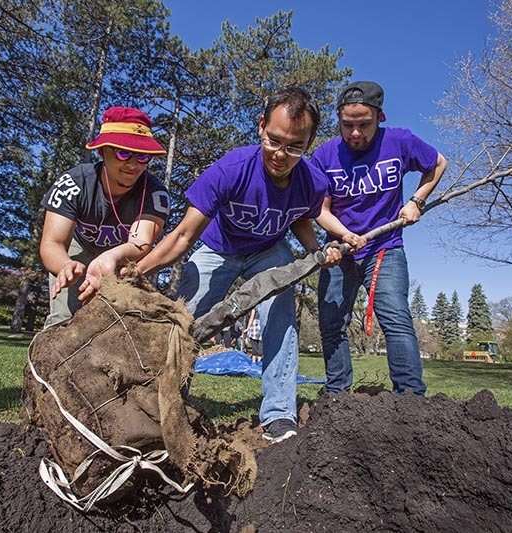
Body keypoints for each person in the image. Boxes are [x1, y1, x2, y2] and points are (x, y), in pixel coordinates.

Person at [124, 87, 357, 443]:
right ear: (261, 126)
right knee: (185, 317)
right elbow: (183, 236)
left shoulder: (313, 182)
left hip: (269, 250)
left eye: (294, 147)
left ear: (309, 143)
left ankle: (279, 413)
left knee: (280, 313)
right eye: (274, 141)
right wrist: (140, 270)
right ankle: (165, 403)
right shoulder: (230, 170)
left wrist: (315, 252)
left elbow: (300, 216)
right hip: (219, 247)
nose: (281, 154)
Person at [312, 81, 447, 395]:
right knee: (332, 324)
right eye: (348, 125)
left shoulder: (399, 141)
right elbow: (320, 208)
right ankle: (337, 395)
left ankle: (411, 398)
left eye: (364, 124)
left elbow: (438, 163)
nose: (355, 133)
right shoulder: (325, 155)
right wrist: (343, 235)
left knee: (395, 318)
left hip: (385, 248)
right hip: (339, 250)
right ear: (338, 120)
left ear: (379, 117)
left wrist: (416, 201)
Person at [39, 106, 170, 328]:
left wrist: (109, 259)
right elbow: (53, 242)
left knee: (122, 325)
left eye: (142, 156)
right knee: (64, 320)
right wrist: (65, 266)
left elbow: (140, 242)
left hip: (122, 258)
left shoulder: (155, 193)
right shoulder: (73, 183)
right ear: (102, 151)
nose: (133, 164)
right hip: (77, 250)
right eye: (123, 153)